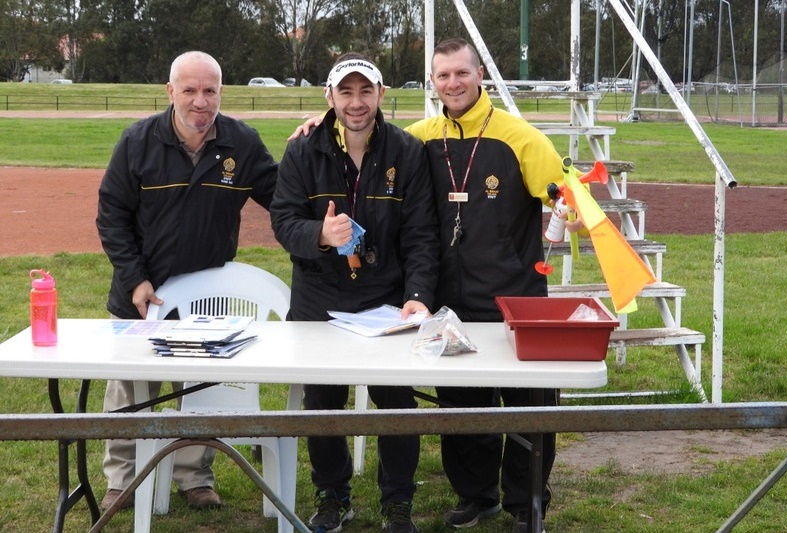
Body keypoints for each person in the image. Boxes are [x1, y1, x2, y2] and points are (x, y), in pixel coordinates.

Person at [95, 50, 278, 511]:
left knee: (200, 387)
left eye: (210, 90)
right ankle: (122, 478)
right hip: (143, 293)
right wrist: (134, 277)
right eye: (190, 90)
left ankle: (193, 475)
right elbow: (111, 215)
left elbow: (284, 195)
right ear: (170, 91)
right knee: (130, 389)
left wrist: (311, 141)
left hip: (206, 293)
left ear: (221, 92)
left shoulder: (243, 143)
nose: (201, 101)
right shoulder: (138, 141)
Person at [270, 53, 439, 533]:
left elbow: (422, 234)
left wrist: (419, 295)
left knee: (397, 402)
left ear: (381, 95)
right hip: (317, 298)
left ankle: (398, 501)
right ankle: (332, 494)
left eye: (366, 91)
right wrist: (321, 237)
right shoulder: (303, 150)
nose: (356, 102)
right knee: (322, 403)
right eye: (346, 92)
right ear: (330, 97)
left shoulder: (406, 151)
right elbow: (283, 219)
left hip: (385, 299)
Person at [404, 38, 565, 533]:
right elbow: (359, 142)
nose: (452, 83)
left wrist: (571, 209)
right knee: (461, 407)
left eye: (461, 73)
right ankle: (475, 495)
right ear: (432, 83)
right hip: (448, 302)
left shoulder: (521, 137)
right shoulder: (418, 138)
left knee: (528, 405)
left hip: (513, 295)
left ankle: (526, 501)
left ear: (480, 77)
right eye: (442, 76)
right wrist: (316, 126)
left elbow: (563, 189)